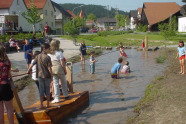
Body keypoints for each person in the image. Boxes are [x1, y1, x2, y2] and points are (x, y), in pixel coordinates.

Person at [27, 43, 53, 108]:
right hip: (46, 76)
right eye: (48, 49)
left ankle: (41, 104)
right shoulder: (48, 57)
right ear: (44, 49)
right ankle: (47, 104)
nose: (49, 50)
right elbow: (49, 68)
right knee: (47, 89)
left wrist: (28, 70)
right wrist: (52, 77)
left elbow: (32, 64)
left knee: (41, 90)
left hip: (39, 76)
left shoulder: (37, 56)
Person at [0, 44, 17, 124]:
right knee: (9, 109)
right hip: (5, 85)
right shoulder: (7, 62)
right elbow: (9, 74)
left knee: (0, 111)